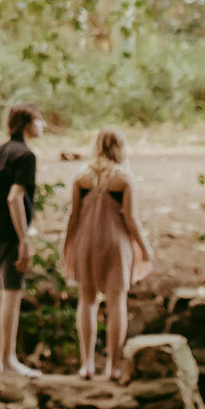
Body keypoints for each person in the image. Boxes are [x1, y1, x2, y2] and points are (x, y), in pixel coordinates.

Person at [59, 127, 153, 382]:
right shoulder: (123, 178)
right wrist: (145, 247)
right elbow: (131, 219)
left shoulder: (82, 176)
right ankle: (112, 366)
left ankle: (87, 364)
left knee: (87, 300)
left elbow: (74, 216)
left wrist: (67, 244)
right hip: (115, 243)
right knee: (116, 302)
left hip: (87, 242)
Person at [0, 104, 43, 377]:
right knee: (11, 295)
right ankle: (8, 360)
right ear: (28, 124)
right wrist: (24, 239)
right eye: (40, 120)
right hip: (9, 231)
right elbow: (14, 197)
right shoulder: (25, 155)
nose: (44, 125)